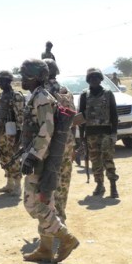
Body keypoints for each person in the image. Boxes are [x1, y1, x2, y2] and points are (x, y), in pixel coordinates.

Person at [17, 59, 79, 264]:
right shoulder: (37, 95)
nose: (21, 78)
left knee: (33, 204)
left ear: (34, 76)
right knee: (45, 204)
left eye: (24, 74)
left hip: (40, 159)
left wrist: (34, 155)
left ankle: (66, 237)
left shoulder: (42, 97)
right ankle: (45, 249)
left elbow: (47, 128)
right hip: (38, 156)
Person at [43, 58, 77, 220]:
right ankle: (60, 214)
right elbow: (74, 120)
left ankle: (50, 216)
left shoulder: (41, 94)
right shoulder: (66, 92)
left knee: (46, 178)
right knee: (63, 179)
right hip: (66, 141)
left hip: (47, 143)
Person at [80, 67, 120, 198]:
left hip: (106, 133)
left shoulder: (108, 94)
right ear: (88, 80)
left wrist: (114, 133)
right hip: (90, 134)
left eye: (96, 77)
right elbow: (81, 117)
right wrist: (81, 137)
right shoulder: (84, 95)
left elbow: (114, 115)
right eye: (91, 78)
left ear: (101, 79)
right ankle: (99, 184)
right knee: (95, 160)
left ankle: (113, 186)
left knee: (108, 159)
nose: (94, 80)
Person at [0, 70, 25, 196]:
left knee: (14, 158)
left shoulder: (16, 96)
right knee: (4, 156)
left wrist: (19, 136)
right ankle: (9, 183)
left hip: (12, 133)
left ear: (9, 81)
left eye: (3, 81)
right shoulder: (1, 95)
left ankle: (17, 186)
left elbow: (20, 116)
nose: (0, 83)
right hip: (1, 131)